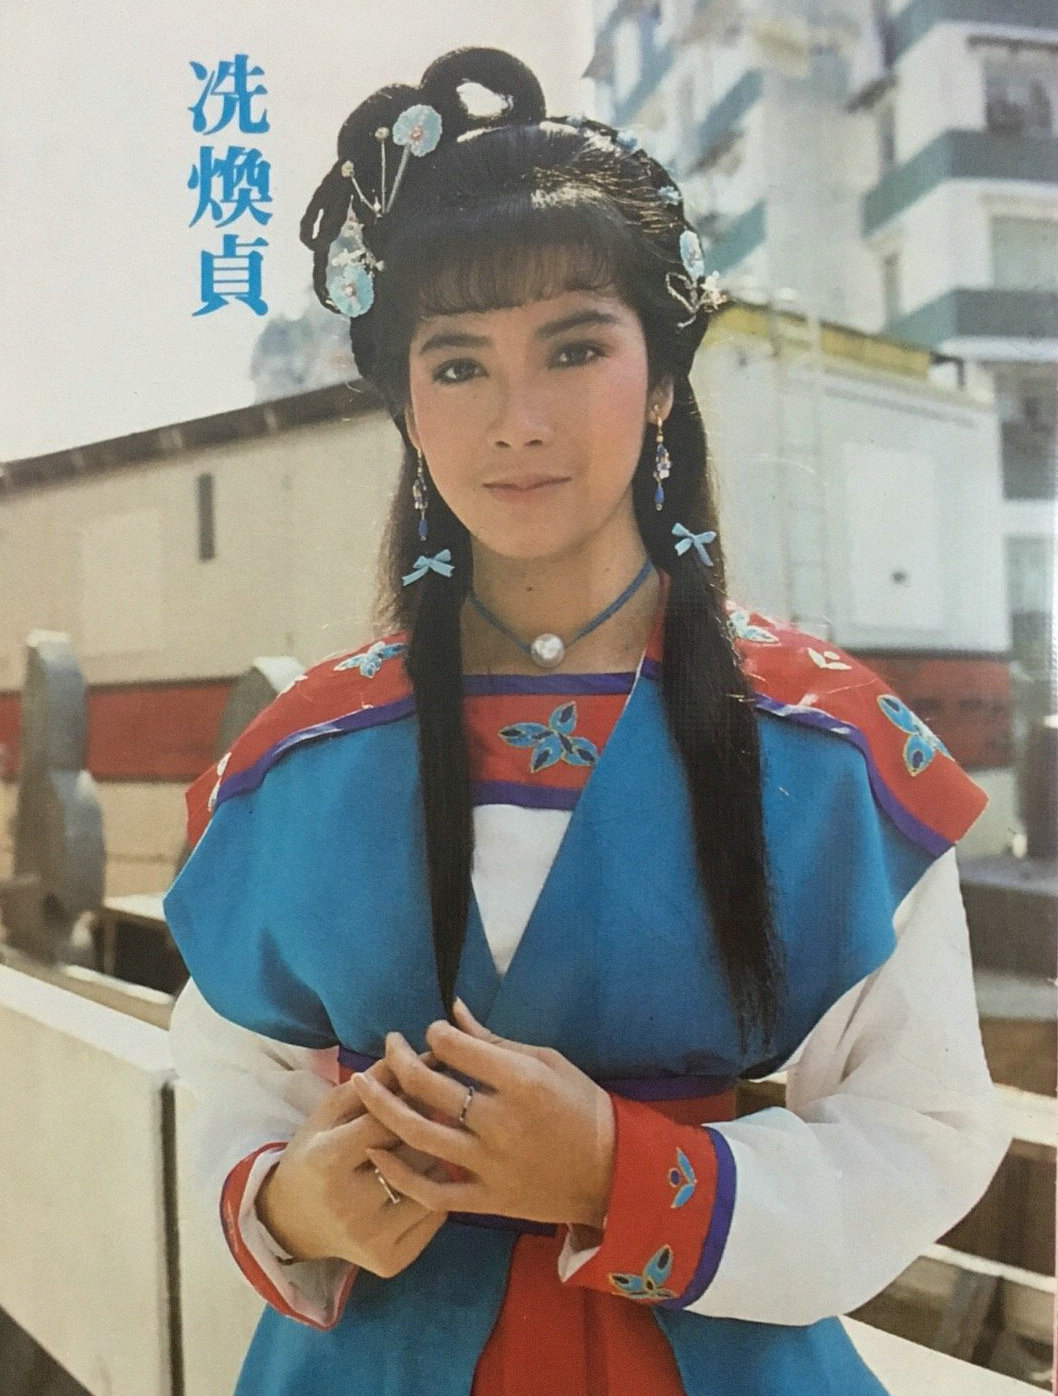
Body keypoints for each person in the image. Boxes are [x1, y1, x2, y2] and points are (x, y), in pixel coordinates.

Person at [162, 46, 1012, 1396]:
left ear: (661, 377)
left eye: (573, 348)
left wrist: (627, 1175)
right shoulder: (303, 756)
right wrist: (291, 1201)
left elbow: (923, 1119)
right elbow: (231, 1072)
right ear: (406, 410)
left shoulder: (826, 743)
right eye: (457, 365)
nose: (518, 421)